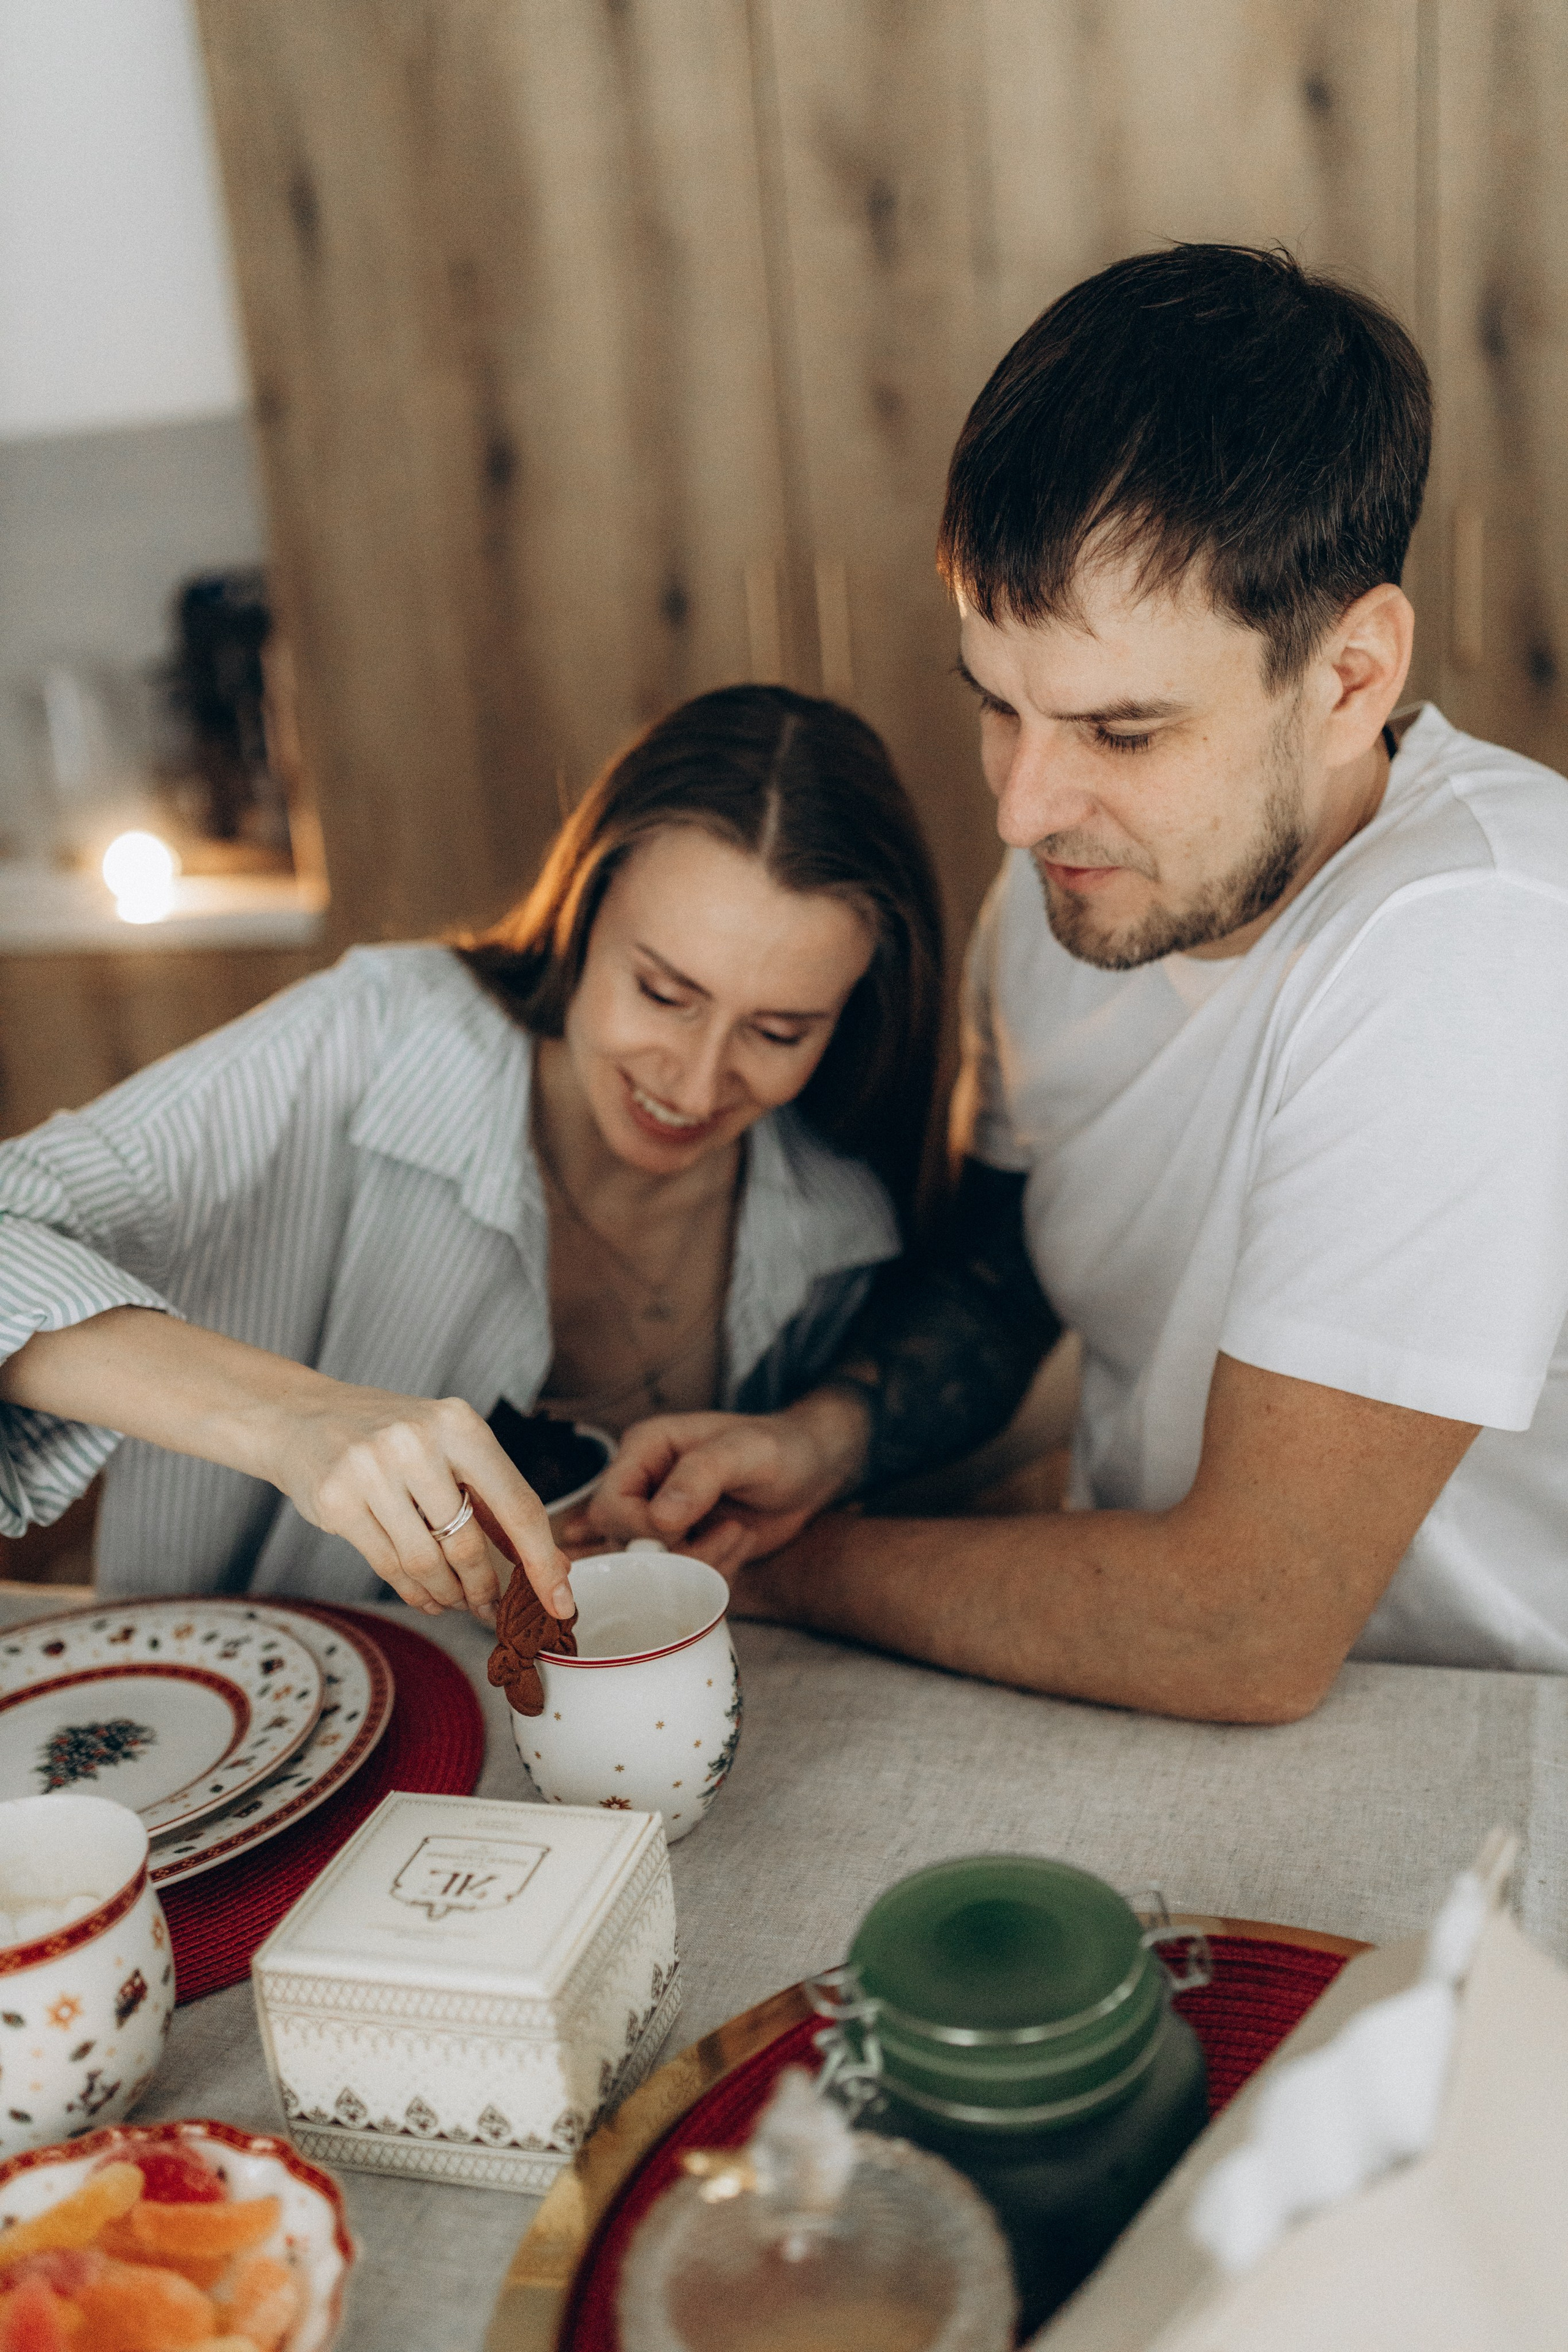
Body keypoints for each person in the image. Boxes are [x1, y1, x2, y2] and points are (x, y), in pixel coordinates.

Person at [586, 244, 1568, 1722]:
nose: (1020, 809)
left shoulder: (1474, 945)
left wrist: (776, 1569)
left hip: (1465, 1745)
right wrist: (825, 1439)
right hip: (1131, 1696)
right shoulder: (1084, 871)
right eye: (996, 704)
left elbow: (1242, 1627)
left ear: (1349, 677)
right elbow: (1001, 1268)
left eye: (1122, 732)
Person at [0, 685, 943, 1626]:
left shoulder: (840, 1218)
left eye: (778, 1032)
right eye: (662, 993)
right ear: (582, 909)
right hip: (242, 1693)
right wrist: (296, 1419)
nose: (697, 1089)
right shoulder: (372, 1036)